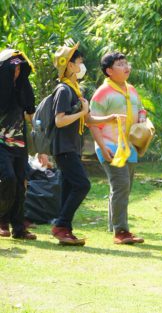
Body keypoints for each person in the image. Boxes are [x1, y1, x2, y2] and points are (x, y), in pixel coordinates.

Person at [51, 42, 119, 246]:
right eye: (79, 62)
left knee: (68, 188)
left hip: (72, 147)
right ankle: (61, 225)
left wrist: (110, 118)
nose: (82, 66)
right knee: (82, 184)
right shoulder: (63, 90)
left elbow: (88, 119)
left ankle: (65, 231)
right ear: (70, 66)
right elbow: (59, 120)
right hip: (63, 147)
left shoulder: (75, 90)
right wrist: (81, 112)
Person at [89, 52, 145, 245]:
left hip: (130, 147)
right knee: (121, 186)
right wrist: (102, 148)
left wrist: (142, 117)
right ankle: (121, 231)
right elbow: (92, 122)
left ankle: (114, 226)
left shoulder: (131, 89)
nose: (126, 67)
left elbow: (140, 108)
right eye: (120, 64)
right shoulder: (102, 93)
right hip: (111, 146)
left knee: (123, 189)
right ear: (109, 71)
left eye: (126, 63)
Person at [0, 48, 37, 240]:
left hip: (19, 144)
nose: (17, 71)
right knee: (8, 178)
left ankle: (19, 228)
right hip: (1, 144)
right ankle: (2, 220)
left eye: (19, 68)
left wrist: (41, 147)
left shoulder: (23, 89)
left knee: (21, 184)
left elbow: (31, 114)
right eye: (13, 68)